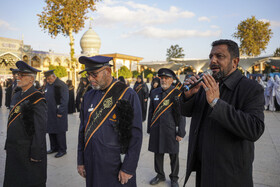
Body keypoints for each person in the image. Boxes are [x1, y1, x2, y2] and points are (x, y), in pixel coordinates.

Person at [181, 39, 265, 187]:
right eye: (211, 56)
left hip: (230, 177)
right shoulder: (205, 84)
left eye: (219, 56)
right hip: (203, 170)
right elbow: (186, 112)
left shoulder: (251, 88)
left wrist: (216, 103)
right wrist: (189, 96)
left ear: (235, 61)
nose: (213, 60)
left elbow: (254, 129)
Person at [77, 55, 143, 187]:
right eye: (88, 75)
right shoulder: (89, 96)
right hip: (92, 161)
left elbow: (135, 134)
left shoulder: (127, 94)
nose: (90, 78)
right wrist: (81, 161)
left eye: (94, 74)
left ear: (108, 71)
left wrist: (128, 167)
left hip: (115, 164)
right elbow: (82, 130)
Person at [4, 61, 47, 187]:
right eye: (18, 75)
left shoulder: (37, 98)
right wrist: (8, 144)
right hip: (14, 148)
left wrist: (36, 152)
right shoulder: (17, 94)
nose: (18, 77)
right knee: (13, 179)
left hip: (27, 149)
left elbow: (40, 129)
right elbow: (11, 123)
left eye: (22, 75)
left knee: (29, 180)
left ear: (31, 80)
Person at [148, 68, 186, 187]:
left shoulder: (177, 93)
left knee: (173, 155)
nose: (163, 80)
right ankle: (160, 175)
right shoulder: (154, 92)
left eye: (166, 78)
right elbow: (151, 111)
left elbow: (181, 114)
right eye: (162, 78)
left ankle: (174, 178)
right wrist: (150, 128)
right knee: (158, 154)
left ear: (171, 80)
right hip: (157, 129)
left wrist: (181, 132)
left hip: (171, 130)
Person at [44, 70, 69, 158]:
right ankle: (53, 147)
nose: (47, 80)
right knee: (51, 131)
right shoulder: (48, 85)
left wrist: (60, 112)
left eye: (49, 78)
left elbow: (64, 100)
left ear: (53, 76)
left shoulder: (61, 85)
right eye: (46, 79)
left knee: (59, 131)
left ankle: (62, 149)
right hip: (49, 113)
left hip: (58, 113)